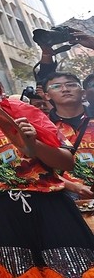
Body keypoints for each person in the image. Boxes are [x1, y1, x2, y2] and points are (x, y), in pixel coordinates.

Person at [0, 66, 94, 278]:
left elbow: (66, 162)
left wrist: (32, 142)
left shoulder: (29, 115)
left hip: (50, 201)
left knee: (74, 268)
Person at [43, 72, 94, 200]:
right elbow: (40, 169)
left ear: (82, 91)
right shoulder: (43, 126)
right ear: (47, 95)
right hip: (66, 198)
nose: (65, 89)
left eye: (71, 85)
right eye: (56, 87)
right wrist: (74, 187)